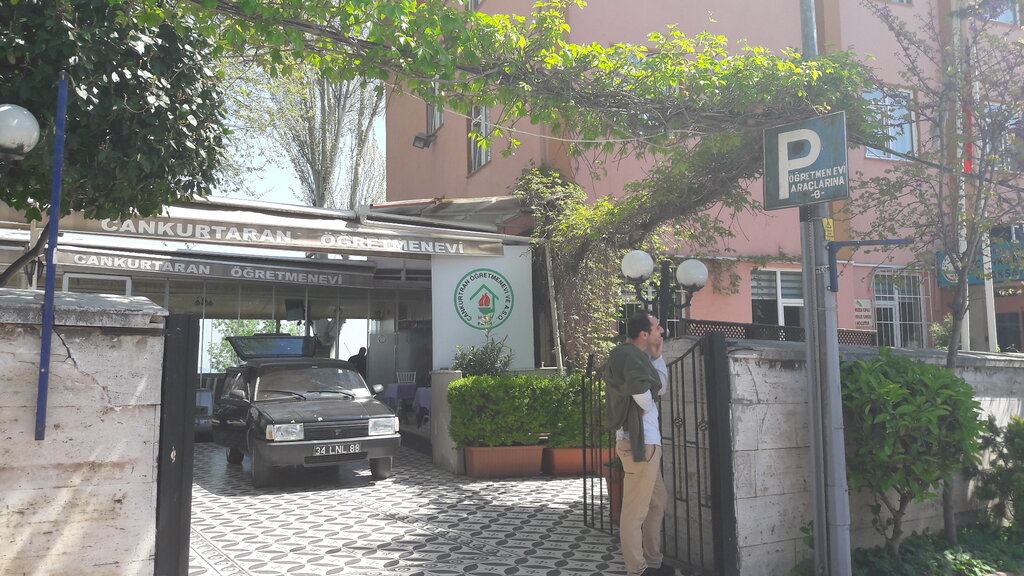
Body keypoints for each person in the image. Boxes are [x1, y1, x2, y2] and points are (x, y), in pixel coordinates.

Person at [605, 312, 674, 576]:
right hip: (639, 443)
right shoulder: (628, 355)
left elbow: (661, 387)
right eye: (657, 327)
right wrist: (645, 404)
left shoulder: (640, 357)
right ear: (644, 333)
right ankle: (637, 569)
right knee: (635, 512)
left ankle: (653, 560)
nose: (662, 331)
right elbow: (639, 389)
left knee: (657, 502)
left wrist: (657, 356)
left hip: (647, 444)